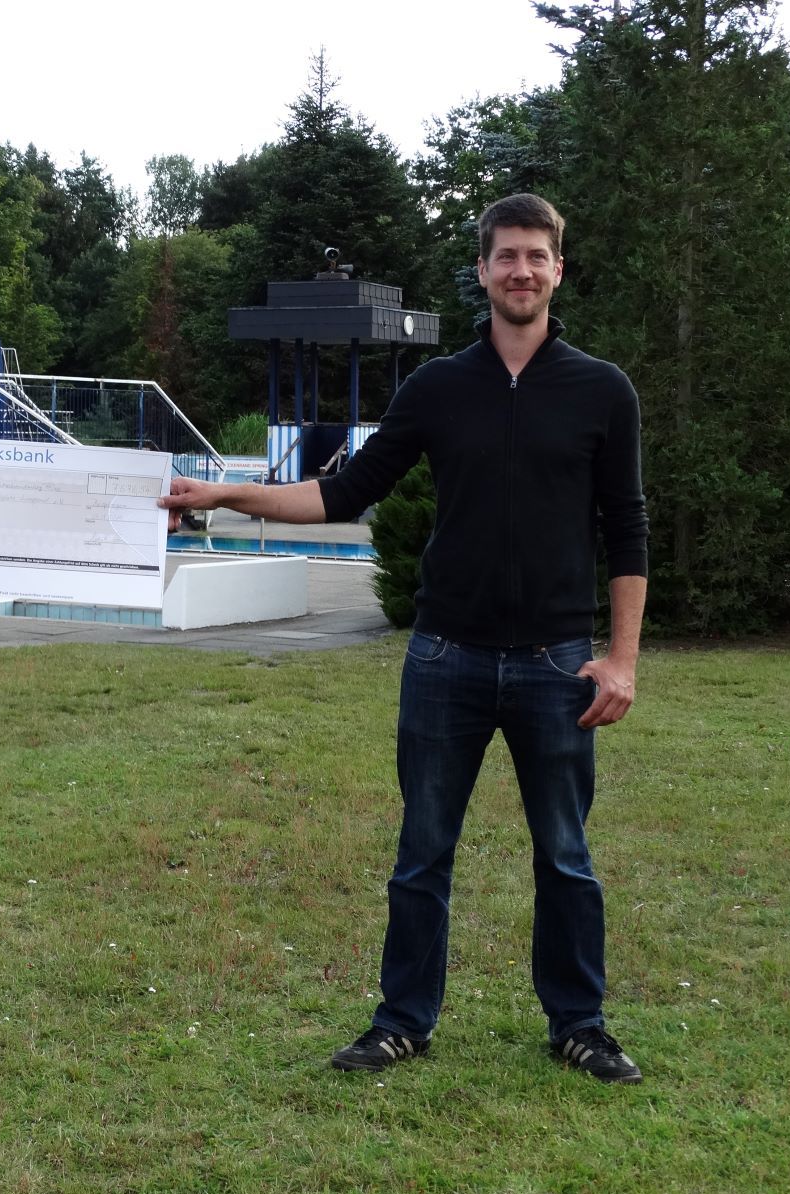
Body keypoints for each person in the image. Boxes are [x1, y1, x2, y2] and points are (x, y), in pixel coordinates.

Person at [160, 194, 649, 1084]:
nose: (521, 271)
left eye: (537, 256)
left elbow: (629, 529)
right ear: (483, 271)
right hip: (445, 659)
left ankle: (580, 1023)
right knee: (422, 853)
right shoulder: (437, 387)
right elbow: (340, 496)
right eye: (505, 256)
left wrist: (621, 659)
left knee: (566, 858)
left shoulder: (601, 390)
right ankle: (402, 1022)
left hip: (554, 664)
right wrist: (230, 495)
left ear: (558, 271)